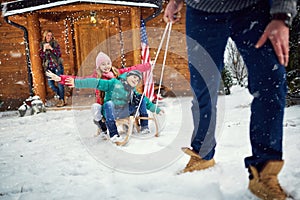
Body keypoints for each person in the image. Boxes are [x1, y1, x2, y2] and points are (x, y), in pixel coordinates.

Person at [164, 0, 297, 199]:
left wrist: (282, 15)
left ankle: (265, 171)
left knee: (270, 84)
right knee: (203, 90)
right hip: (201, 11)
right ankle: (202, 155)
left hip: (254, 8)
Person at [46, 52, 152, 136]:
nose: (106, 66)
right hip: (106, 106)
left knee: (138, 99)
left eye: (108, 63)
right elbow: (80, 79)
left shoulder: (116, 73)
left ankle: (141, 125)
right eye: (103, 64)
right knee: (96, 108)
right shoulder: (96, 77)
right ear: (98, 66)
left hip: (121, 104)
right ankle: (102, 126)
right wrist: (61, 78)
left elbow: (132, 69)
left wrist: (147, 66)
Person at [63, 70, 164, 143]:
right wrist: (77, 82)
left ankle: (144, 126)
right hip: (111, 111)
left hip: (125, 111)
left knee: (141, 98)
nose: (135, 80)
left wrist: (157, 109)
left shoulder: (132, 90)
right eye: (134, 77)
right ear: (127, 76)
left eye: (137, 80)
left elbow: (147, 102)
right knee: (108, 104)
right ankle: (113, 133)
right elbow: (95, 82)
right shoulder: (114, 83)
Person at [39, 30, 65, 107]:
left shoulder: (55, 43)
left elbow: (58, 54)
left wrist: (51, 48)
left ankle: (62, 100)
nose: (49, 37)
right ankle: (61, 96)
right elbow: (42, 56)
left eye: (50, 35)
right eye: (48, 35)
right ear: (45, 36)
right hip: (48, 67)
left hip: (57, 66)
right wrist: (44, 49)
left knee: (60, 83)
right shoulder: (42, 44)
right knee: (51, 85)